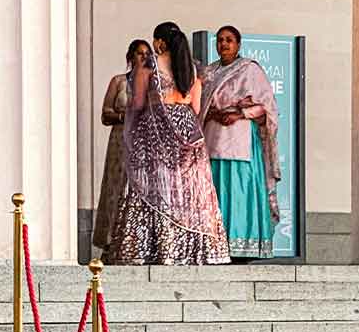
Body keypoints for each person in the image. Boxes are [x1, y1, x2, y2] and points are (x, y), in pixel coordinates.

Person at [106, 21, 229, 265]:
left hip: (156, 129)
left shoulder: (148, 67)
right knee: (188, 189)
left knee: (155, 185)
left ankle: (153, 248)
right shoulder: (191, 70)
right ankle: (192, 249)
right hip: (188, 131)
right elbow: (195, 107)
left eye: (154, 40)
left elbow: (139, 104)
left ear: (160, 42)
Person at [199, 25, 279, 260]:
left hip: (240, 139)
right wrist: (211, 113)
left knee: (239, 189)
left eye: (229, 40)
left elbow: (268, 107)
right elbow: (199, 106)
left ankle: (242, 245)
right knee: (214, 188)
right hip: (212, 136)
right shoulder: (209, 73)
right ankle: (214, 244)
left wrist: (240, 114)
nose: (223, 44)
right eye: (220, 40)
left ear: (238, 44)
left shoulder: (249, 70)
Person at [91, 39, 150, 253]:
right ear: (130, 56)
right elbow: (105, 114)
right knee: (116, 186)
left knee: (139, 188)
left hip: (143, 141)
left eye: (147, 54)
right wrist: (124, 115)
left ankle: (136, 242)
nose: (143, 58)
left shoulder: (153, 82)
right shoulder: (119, 81)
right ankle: (111, 240)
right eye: (139, 53)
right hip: (120, 139)